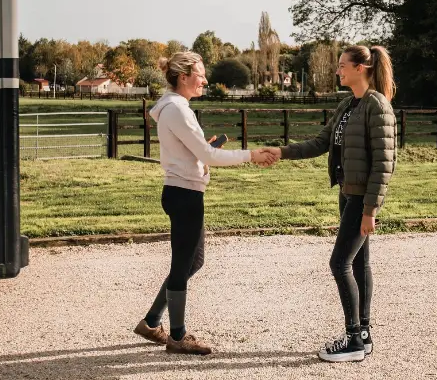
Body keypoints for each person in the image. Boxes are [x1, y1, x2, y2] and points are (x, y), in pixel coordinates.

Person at [133, 51, 276, 355]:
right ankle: (177, 336)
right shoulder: (177, 110)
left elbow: (197, 154)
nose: (205, 79)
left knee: (192, 262)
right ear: (183, 77)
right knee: (183, 263)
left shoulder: (176, 108)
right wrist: (250, 155)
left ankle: (151, 322)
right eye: (200, 73)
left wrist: (203, 156)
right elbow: (209, 156)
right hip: (183, 194)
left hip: (185, 191)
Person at [263, 45, 397, 362]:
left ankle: (352, 340)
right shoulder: (348, 105)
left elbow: (384, 164)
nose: (338, 70)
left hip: (361, 197)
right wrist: (280, 152)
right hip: (347, 192)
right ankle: (362, 336)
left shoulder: (377, 106)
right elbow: (320, 143)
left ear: (361, 68)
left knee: (339, 264)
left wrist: (370, 210)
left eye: (342, 65)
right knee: (359, 264)